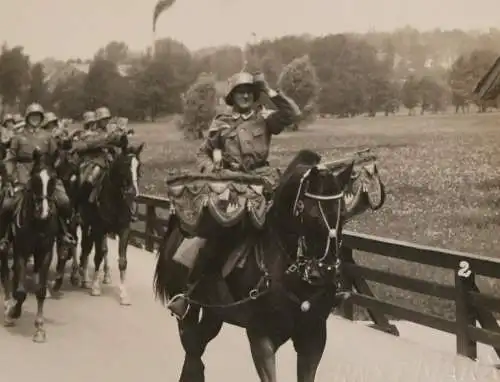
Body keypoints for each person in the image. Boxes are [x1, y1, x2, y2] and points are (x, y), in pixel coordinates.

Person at [167, 71, 301, 318]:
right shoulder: (221, 123)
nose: (246, 95)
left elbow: (292, 114)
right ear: (232, 96)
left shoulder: (266, 119)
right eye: (241, 91)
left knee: (292, 222)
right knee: (218, 234)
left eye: (251, 91)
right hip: (231, 185)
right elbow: (203, 153)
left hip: (264, 182)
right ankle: (189, 294)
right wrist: (211, 168)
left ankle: (299, 286)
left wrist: (269, 90)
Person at [0, 103, 75, 252]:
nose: (35, 119)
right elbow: (10, 159)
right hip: (24, 173)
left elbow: (56, 155)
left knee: (64, 202)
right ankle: (4, 238)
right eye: (32, 117)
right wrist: (12, 177)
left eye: (38, 117)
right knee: (7, 205)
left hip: (45, 175)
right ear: (27, 118)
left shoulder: (48, 137)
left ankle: (64, 234)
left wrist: (56, 165)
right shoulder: (18, 137)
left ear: (41, 119)